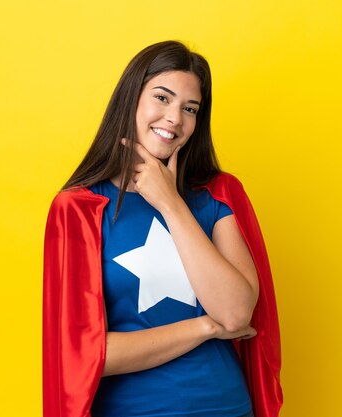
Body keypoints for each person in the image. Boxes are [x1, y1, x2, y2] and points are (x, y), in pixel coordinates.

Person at [43, 40, 282, 417]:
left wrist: (170, 203)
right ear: (131, 100)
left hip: (225, 407)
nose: (175, 118)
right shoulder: (79, 208)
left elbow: (236, 314)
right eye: (162, 98)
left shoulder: (218, 194)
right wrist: (206, 328)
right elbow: (86, 356)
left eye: (190, 109)